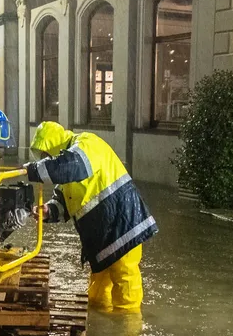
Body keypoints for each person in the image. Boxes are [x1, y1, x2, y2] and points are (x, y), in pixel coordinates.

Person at [24, 121, 157, 312]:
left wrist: (32, 170)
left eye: (46, 154)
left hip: (123, 222)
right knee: (98, 293)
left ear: (55, 145)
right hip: (102, 235)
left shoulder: (86, 144)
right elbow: (65, 200)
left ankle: (129, 333)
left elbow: (71, 167)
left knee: (125, 283)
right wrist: (49, 210)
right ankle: (103, 332)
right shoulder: (67, 166)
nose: (45, 159)